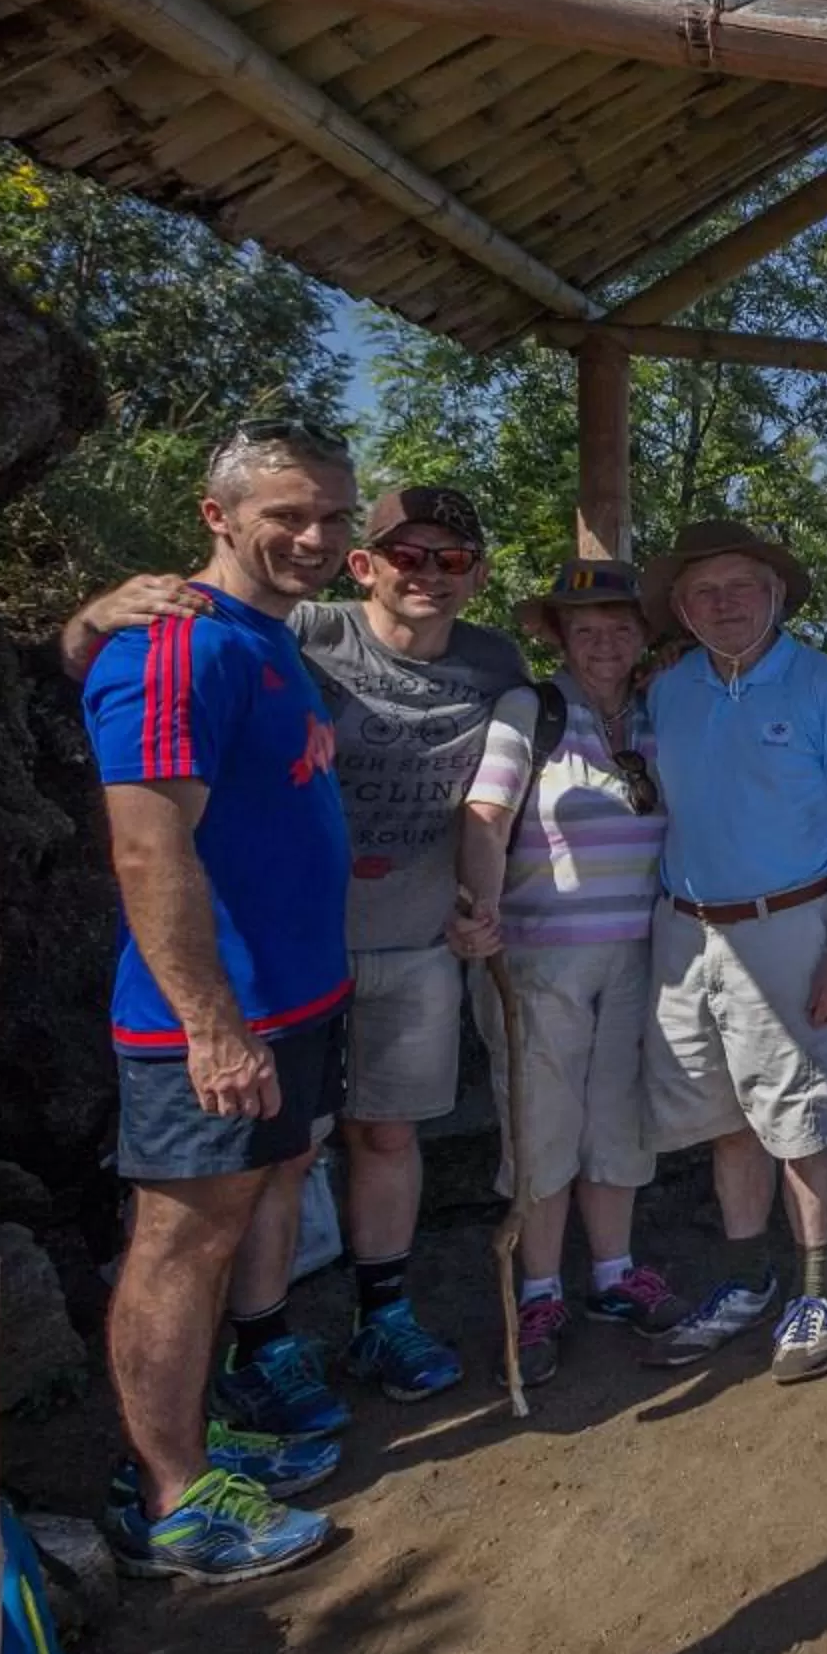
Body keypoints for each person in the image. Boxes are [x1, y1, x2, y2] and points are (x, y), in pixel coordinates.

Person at [65, 483, 528, 1415]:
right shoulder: (295, 633)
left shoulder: (493, 662)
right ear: (365, 565)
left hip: (411, 938)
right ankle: (267, 1343)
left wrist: (481, 899)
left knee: (388, 1133)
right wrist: (88, 621)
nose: (428, 575)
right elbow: (124, 664)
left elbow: (486, 801)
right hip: (288, 955)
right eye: (407, 555)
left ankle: (382, 1315)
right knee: (282, 1156)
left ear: (475, 575)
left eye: (451, 560)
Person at [81, 419, 356, 1581]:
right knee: (180, 1242)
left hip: (289, 1001)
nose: (313, 536)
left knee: (232, 1220)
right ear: (217, 514)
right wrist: (210, 1021)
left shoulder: (261, 638)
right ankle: (174, 1493)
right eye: (287, 512)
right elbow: (147, 850)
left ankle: (192, 1437)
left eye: (334, 515)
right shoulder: (180, 647)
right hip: (212, 1020)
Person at [636, 521, 827, 1385]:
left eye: (743, 587)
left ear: (777, 594)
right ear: (680, 608)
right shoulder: (669, 693)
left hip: (789, 926)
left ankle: (815, 1292)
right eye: (704, 592)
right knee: (725, 1117)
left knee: (801, 1114)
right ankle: (748, 1279)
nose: (725, 604)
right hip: (686, 930)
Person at [449, 560, 689, 1384]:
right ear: (557, 635)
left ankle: (614, 1274)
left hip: (636, 953)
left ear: (642, 635)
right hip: (540, 954)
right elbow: (484, 817)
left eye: (620, 626)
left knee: (616, 1116)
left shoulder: (655, 716)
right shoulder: (533, 712)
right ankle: (542, 1287)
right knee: (542, 1121)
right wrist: (480, 907)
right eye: (585, 628)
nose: (605, 642)